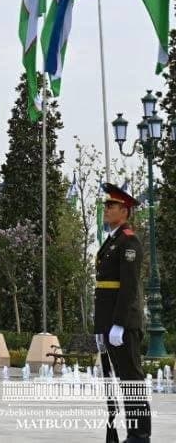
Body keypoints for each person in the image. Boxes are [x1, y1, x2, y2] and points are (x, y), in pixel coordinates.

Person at [94, 183, 150, 441]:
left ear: (125, 210)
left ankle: (140, 435)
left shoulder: (129, 241)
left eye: (112, 206)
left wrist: (118, 324)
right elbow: (104, 289)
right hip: (110, 323)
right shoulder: (112, 241)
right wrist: (100, 326)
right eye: (106, 205)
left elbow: (128, 288)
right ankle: (132, 433)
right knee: (122, 379)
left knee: (132, 380)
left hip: (123, 324)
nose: (106, 209)